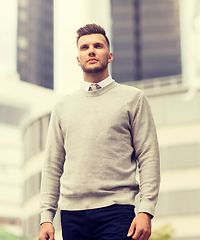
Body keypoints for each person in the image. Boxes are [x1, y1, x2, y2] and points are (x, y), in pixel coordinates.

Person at [38, 23, 160, 240]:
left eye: (98, 46)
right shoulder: (63, 106)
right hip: (71, 214)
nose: (91, 51)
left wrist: (146, 209)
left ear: (109, 55)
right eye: (84, 47)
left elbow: (148, 156)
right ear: (78, 59)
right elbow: (52, 165)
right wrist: (46, 216)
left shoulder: (134, 98)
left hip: (117, 211)